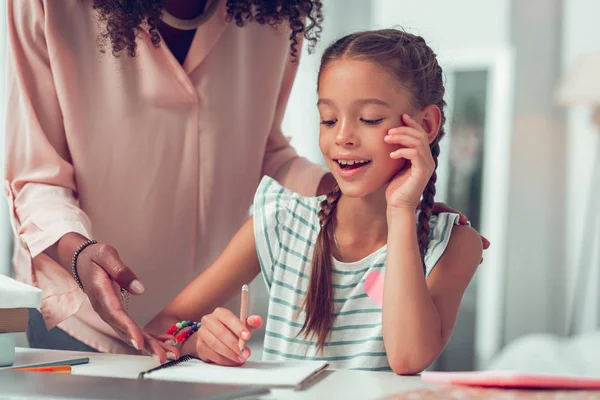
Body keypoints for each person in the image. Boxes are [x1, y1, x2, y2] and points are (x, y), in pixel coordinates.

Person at [144, 28, 484, 374]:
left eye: (369, 119)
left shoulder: (453, 244)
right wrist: (198, 341)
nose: (342, 137)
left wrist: (401, 211)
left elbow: (408, 358)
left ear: (425, 125)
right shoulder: (282, 220)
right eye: (328, 119)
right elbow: (160, 328)